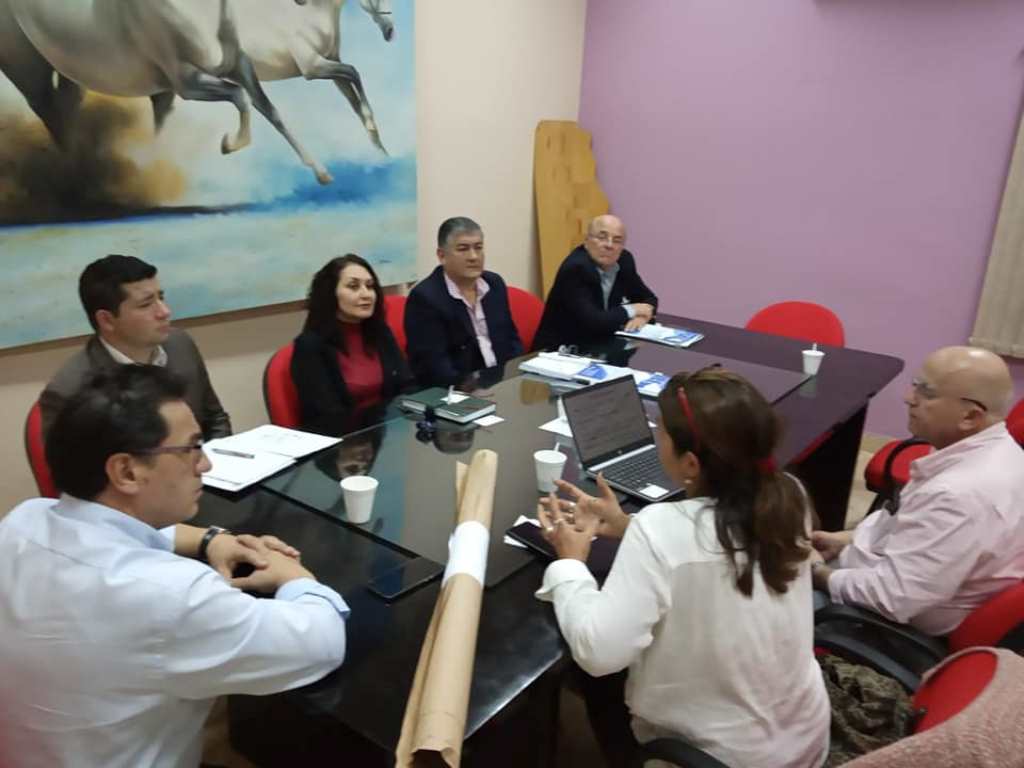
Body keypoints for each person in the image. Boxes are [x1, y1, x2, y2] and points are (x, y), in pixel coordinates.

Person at [0, 366, 349, 768]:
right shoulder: (171, 596)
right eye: (192, 449)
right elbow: (322, 643)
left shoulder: (25, 520)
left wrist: (211, 539)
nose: (206, 466)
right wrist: (293, 577)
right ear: (127, 471)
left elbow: (123, 536)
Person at [537, 368, 829, 768]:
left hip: (720, 757)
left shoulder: (662, 529)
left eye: (660, 434)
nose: (656, 439)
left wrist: (569, 563)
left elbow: (599, 653)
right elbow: (712, 543)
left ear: (690, 464)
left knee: (593, 672)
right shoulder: (789, 494)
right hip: (805, 739)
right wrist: (627, 524)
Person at [810, 346, 1024, 636]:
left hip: (883, 624)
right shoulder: (996, 451)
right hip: (891, 578)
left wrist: (817, 574)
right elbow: (915, 531)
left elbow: (891, 599)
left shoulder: (958, 494)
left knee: (756, 599)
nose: (908, 398)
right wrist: (847, 539)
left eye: (927, 392)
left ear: (970, 417)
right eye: (915, 385)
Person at [39, 254, 231, 441]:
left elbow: (215, 419)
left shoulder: (179, 344)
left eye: (161, 298)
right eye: (146, 304)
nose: (165, 312)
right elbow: (75, 472)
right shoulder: (69, 390)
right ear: (107, 320)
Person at [291, 254, 412, 435]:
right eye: (353, 286)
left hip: (385, 434)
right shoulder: (310, 346)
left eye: (370, 286)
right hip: (341, 446)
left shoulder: (380, 332)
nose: (366, 294)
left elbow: (407, 385)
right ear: (330, 293)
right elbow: (327, 416)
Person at [404, 217, 523, 387]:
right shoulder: (425, 298)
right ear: (442, 255)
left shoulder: (494, 284)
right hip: (457, 394)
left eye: (478, 248)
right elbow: (434, 367)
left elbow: (512, 340)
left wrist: (516, 377)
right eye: (463, 249)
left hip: (501, 384)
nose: (473, 256)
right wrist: (473, 391)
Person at [532, 214, 658, 351]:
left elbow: (649, 299)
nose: (609, 245)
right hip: (561, 352)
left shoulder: (624, 261)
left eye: (617, 240)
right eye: (602, 237)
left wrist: (641, 318)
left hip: (603, 346)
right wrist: (632, 310)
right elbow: (594, 321)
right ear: (587, 241)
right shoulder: (576, 268)